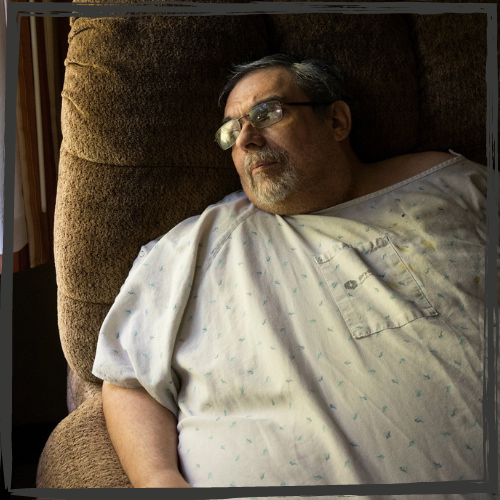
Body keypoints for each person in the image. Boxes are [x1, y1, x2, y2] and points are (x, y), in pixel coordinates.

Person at [93, 54, 494, 497]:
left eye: (267, 113)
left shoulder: (454, 186)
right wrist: (158, 480)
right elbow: (126, 377)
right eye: (231, 130)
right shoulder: (192, 248)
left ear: (337, 120)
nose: (245, 139)